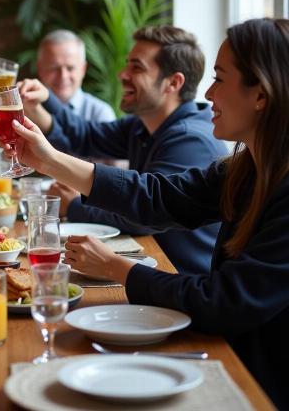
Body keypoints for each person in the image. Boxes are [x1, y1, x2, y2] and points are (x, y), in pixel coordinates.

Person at [10, 18, 289, 409]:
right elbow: (160, 197)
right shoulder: (244, 169)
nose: (208, 93)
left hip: (260, 385)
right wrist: (51, 160)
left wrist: (119, 269)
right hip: (228, 353)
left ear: (260, 94)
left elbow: (224, 302)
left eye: (220, 79)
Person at [20, 26, 227, 275]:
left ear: (173, 82)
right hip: (147, 264)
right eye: (127, 64)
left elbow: (142, 215)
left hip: (177, 279)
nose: (122, 74)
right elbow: (85, 136)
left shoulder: (189, 139)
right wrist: (47, 99)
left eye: (136, 67)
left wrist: (74, 206)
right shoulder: (144, 125)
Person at [36, 29, 116, 122]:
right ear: (40, 69)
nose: (63, 76)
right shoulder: (26, 111)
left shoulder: (100, 114)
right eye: (54, 68)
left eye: (70, 68)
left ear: (83, 69)